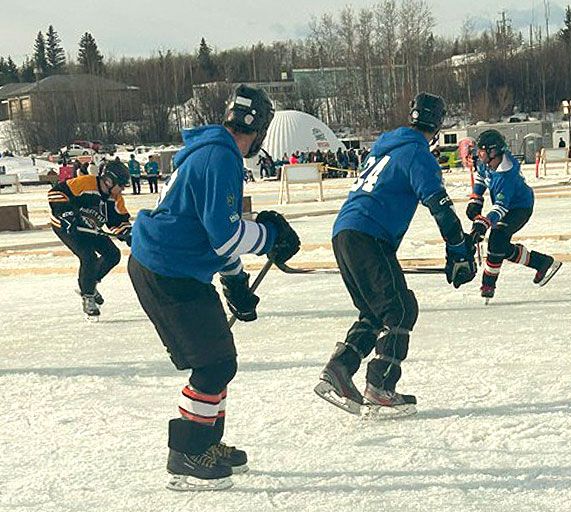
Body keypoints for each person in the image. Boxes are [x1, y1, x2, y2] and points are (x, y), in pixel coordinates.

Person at [127, 85, 300, 491]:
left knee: (221, 360)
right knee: (214, 365)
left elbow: (211, 233)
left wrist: (235, 281)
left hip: (172, 266)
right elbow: (225, 237)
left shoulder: (212, 150)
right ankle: (187, 453)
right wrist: (270, 237)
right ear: (261, 129)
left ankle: (206, 443)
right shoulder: (222, 157)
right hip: (167, 271)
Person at [314, 92, 477, 418]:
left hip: (344, 232)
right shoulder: (417, 153)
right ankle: (380, 387)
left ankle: (339, 369)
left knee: (375, 313)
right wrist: (458, 250)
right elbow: (440, 207)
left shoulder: (385, 147)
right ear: (438, 124)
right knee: (401, 309)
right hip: (369, 235)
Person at [466, 129, 562, 300]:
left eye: (481, 151)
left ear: (493, 152)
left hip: (520, 207)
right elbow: (481, 176)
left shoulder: (506, 175)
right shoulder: (487, 162)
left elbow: (501, 208)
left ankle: (488, 284)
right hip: (506, 205)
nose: (478, 155)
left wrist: (484, 223)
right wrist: (476, 199)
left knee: (497, 239)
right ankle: (541, 262)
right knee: (499, 244)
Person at [47, 160, 133, 318]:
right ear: (109, 181)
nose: (123, 189)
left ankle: (89, 284)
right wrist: (65, 214)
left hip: (90, 227)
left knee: (113, 255)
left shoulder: (116, 198)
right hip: (67, 227)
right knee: (88, 257)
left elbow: (118, 221)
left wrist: (128, 234)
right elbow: (56, 193)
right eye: (121, 185)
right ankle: (88, 296)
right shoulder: (85, 183)